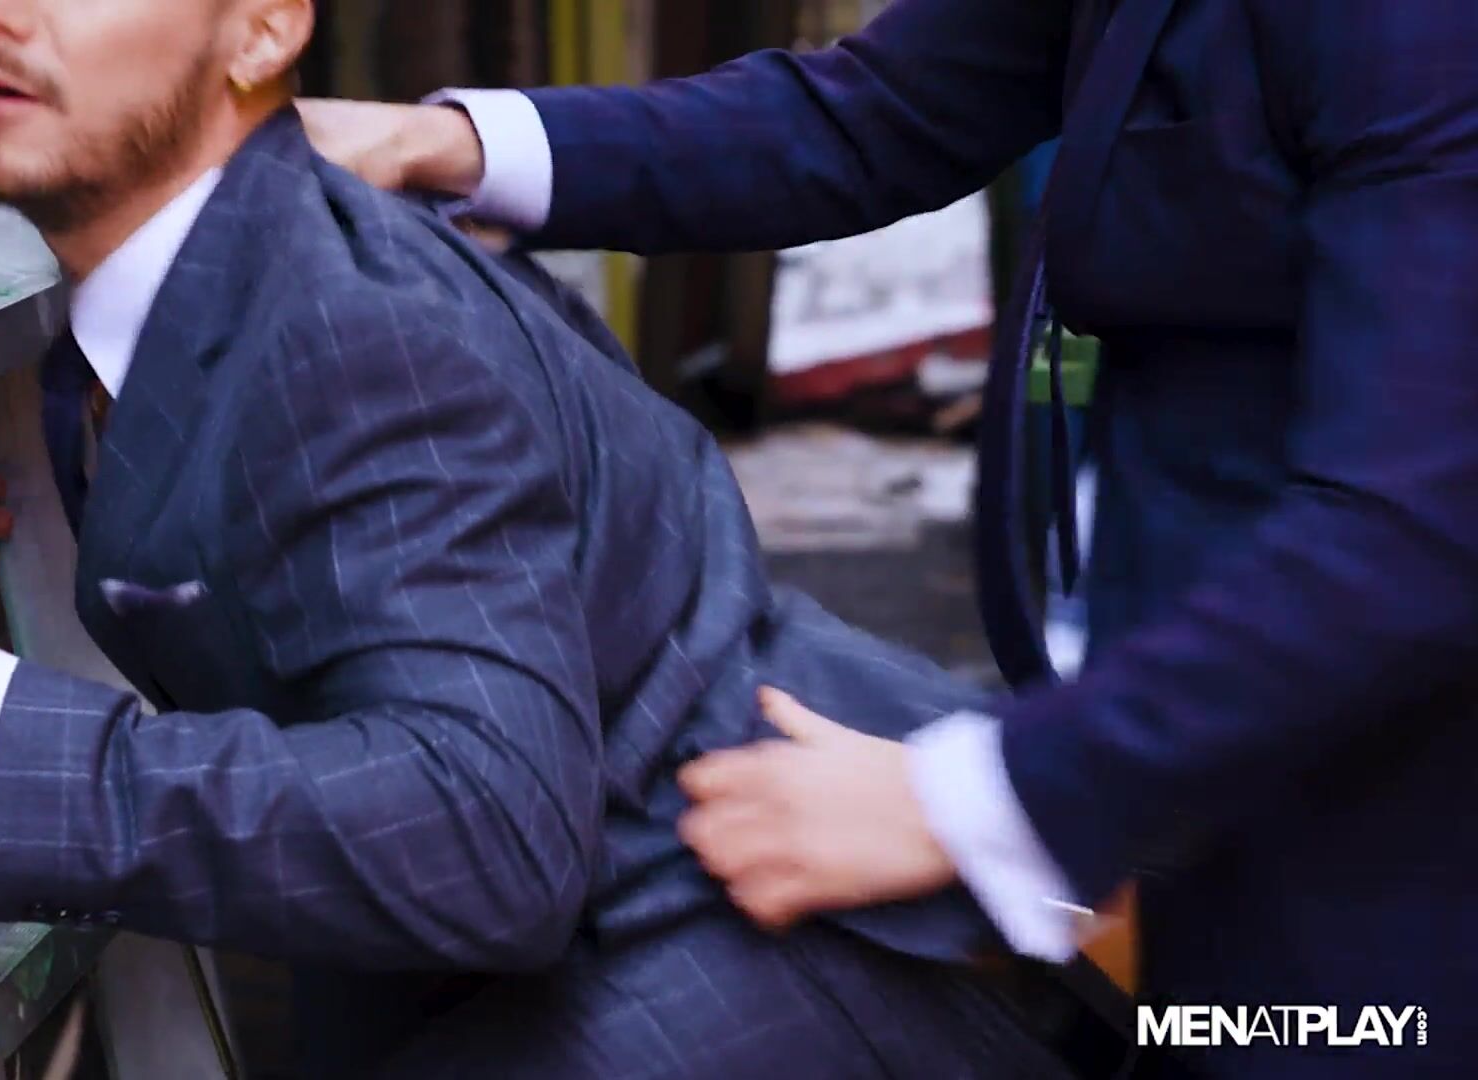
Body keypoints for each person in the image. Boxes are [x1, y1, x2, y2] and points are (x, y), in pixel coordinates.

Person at [0, 0, 1110, 1075]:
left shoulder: (351, 327)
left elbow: (489, 835)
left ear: (263, 31)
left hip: (753, 951)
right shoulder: (154, 317)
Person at [301, 0, 1478, 1076]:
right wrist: (448, 143)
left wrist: (973, 805)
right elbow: (877, 113)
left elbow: (1418, 528)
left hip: (1378, 855)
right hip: (1182, 784)